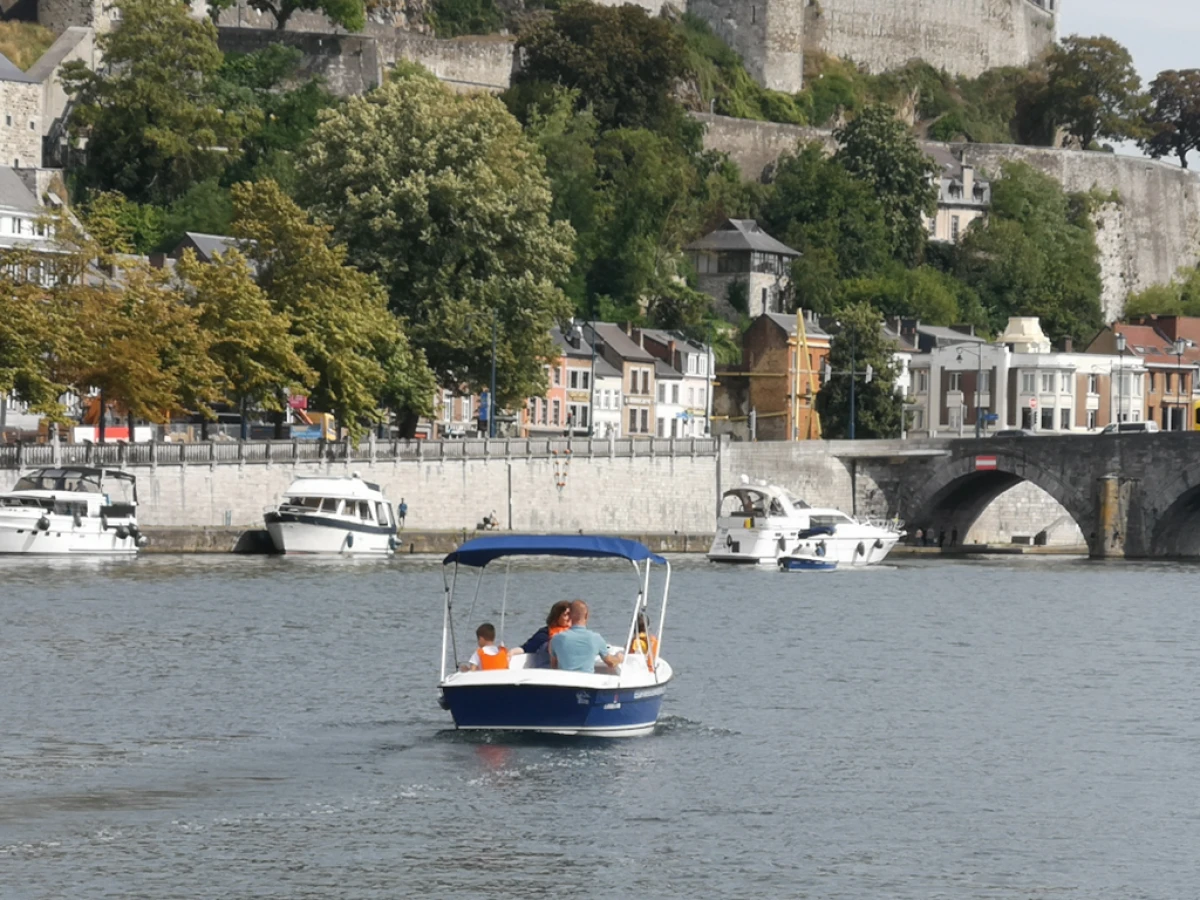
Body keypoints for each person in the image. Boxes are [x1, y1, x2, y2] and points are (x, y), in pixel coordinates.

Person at [550, 600, 623, 673]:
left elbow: (554, 666)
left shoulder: (556, 639)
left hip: (565, 681)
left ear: (570, 616)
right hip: (587, 681)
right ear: (587, 615)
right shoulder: (596, 638)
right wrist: (619, 658)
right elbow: (611, 662)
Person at [516, 601, 572, 667]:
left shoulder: (576, 634)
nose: (569, 618)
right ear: (556, 617)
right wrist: (510, 653)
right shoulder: (544, 634)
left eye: (571, 615)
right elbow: (525, 648)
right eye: (566, 615)